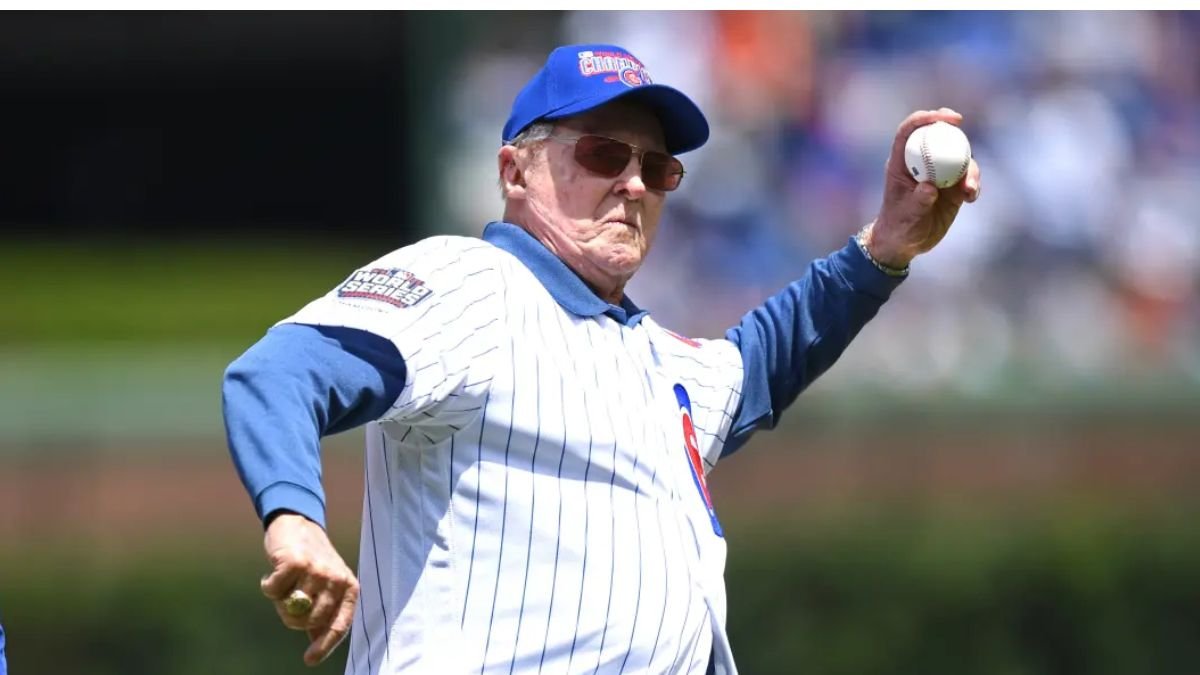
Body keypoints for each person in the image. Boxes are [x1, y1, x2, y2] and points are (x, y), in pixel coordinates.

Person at [222, 42, 980, 674]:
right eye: (604, 153)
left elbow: (760, 362)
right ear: (515, 172)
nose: (634, 183)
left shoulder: (653, 355)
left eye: (659, 168)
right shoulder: (469, 283)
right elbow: (280, 372)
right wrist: (295, 522)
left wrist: (887, 246)